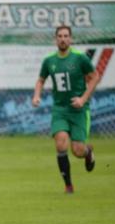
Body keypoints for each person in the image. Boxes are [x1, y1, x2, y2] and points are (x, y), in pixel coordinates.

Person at [32, 25, 100, 194]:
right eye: (60, 36)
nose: (63, 39)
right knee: (61, 143)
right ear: (56, 39)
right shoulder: (49, 61)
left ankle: (88, 152)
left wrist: (83, 99)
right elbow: (41, 80)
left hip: (78, 110)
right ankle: (68, 185)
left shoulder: (80, 58)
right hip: (60, 109)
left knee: (77, 151)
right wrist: (36, 95)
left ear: (71, 39)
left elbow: (94, 77)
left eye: (66, 36)